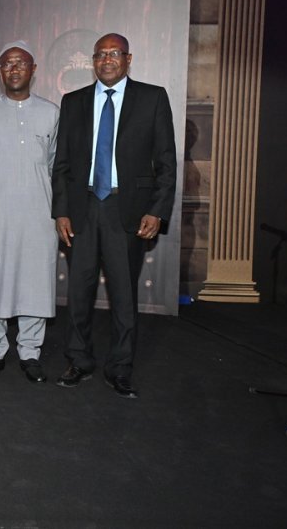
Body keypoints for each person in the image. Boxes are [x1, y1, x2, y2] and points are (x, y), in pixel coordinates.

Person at [52, 32, 177, 399]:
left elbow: (166, 163)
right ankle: (79, 360)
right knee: (79, 293)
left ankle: (120, 367)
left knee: (124, 296)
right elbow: (61, 164)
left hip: (128, 211)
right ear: (93, 61)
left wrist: (157, 210)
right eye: (100, 55)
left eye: (114, 53)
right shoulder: (73, 101)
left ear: (128, 59)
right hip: (83, 209)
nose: (106, 60)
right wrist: (61, 211)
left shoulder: (152, 98)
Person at [0, 41, 59, 384]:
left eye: (21, 63)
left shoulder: (51, 113)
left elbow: (56, 167)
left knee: (35, 280)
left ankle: (30, 352)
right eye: (7, 64)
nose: (14, 69)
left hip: (39, 215)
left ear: (33, 70)